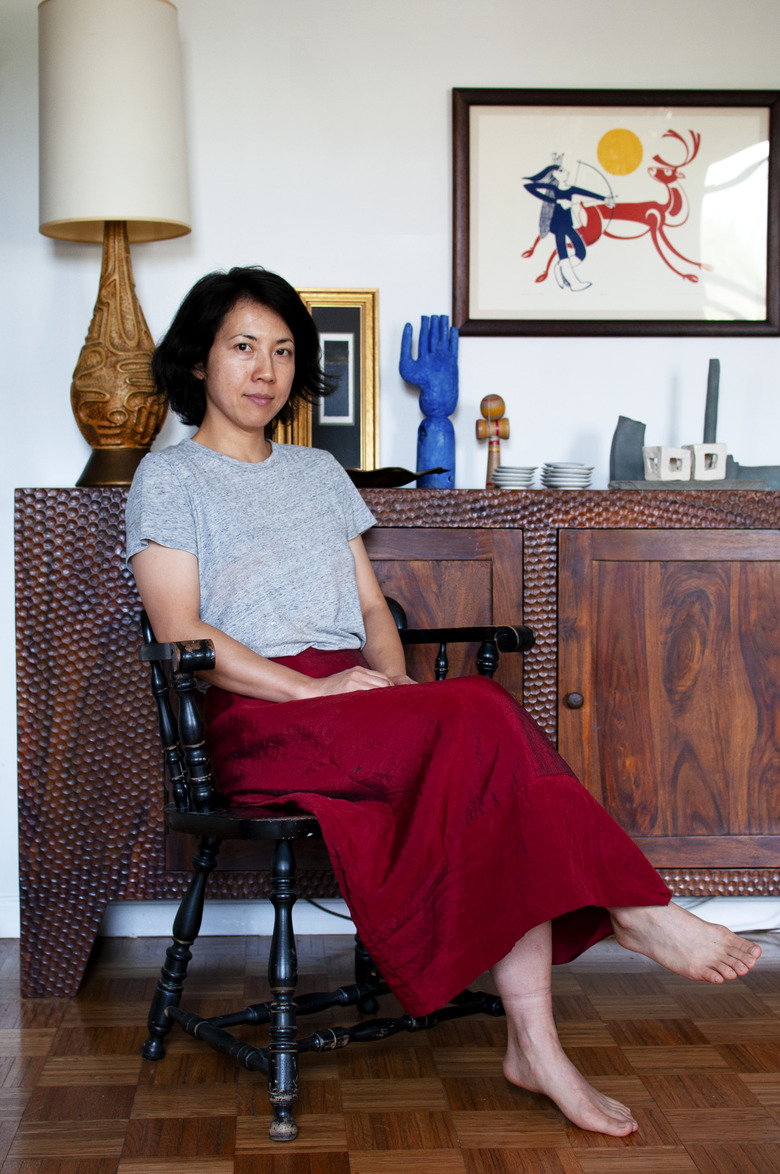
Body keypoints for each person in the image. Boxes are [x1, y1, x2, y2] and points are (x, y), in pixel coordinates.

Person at [126, 266, 761, 1138]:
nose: (264, 370)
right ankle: (630, 910)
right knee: (480, 717)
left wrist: (388, 687)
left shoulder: (315, 472)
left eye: (282, 351)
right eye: (243, 347)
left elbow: (371, 610)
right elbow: (183, 636)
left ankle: (538, 1043)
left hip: (351, 703)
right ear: (199, 359)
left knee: (473, 738)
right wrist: (317, 688)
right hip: (263, 715)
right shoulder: (172, 478)